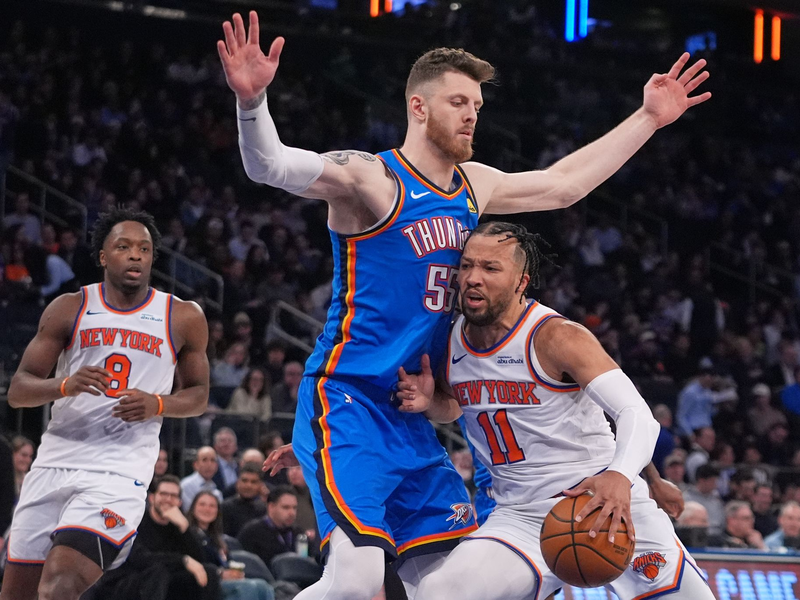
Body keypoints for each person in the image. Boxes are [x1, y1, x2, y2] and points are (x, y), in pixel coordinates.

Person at [218, 11, 711, 597]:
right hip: (351, 396)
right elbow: (268, 165)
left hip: (414, 410)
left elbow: (563, 185)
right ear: (419, 107)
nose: (472, 113)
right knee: (354, 584)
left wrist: (650, 119)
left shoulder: (475, 185)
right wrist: (253, 104)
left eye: (476, 103)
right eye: (458, 101)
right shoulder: (371, 180)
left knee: (439, 586)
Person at [393, 223, 711, 600]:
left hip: (605, 501)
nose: (473, 278)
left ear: (521, 281)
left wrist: (624, 476)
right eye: (466, 266)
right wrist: (432, 403)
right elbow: (456, 406)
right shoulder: (448, 338)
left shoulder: (557, 336)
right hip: (521, 514)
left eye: (491, 268)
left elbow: (635, 414)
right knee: (437, 592)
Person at [1, 207, 209, 600]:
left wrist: (158, 404)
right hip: (55, 462)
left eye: (144, 249)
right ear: (102, 256)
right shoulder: (70, 307)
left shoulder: (182, 315)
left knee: (61, 584)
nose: (135, 255)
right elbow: (19, 389)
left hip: (117, 471)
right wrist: (63, 385)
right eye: (124, 246)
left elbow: (198, 395)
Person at [95, 475, 221, 600]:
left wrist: (184, 528)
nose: (168, 499)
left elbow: (199, 562)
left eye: (173, 496)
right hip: (126, 582)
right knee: (158, 572)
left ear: (179, 502)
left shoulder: (177, 525)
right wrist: (183, 560)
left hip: (162, 582)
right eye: (163, 494)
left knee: (209, 571)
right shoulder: (135, 521)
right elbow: (141, 559)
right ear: (152, 498)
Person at [188, 491, 275, 600]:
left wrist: (233, 574)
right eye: (202, 504)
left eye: (212, 506)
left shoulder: (216, 539)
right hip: (204, 584)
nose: (207, 509)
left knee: (263, 586)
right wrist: (220, 573)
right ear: (193, 508)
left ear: (217, 511)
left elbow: (226, 562)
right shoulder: (188, 535)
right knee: (247, 587)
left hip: (223, 582)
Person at [237, 486, 314, 568]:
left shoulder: (299, 533)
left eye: (294, 508)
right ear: (271, 507)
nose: (292, 513)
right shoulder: (251, 532)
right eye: (286, 507)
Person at [222, 463, 267, 537]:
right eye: (244, 480)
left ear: (260, 485)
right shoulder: (225, 507)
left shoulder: (264, 509)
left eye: (253, 482)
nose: (248, 486)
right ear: (237, 482)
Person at [683, 463, 725, 537]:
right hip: (694, 537)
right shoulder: (686, 499)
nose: (716, 485)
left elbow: (722, 524)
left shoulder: (716, 500)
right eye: (713, 481)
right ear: (702, 480)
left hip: (718, 538)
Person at [213, 427, 240, 492]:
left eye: (230, 441)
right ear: (215, 446)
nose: (226, 444)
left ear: (236, 446)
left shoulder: (240, 466)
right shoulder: (212, 466)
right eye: (222, 441)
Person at [11, 436, 34, 503]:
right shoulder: (4, 479)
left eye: (30, 456)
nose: (28, 460)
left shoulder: (31, 481)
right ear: (12, 454)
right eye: (24, 455)